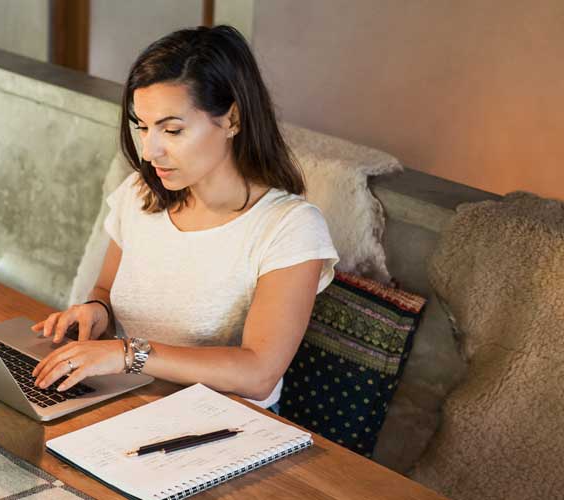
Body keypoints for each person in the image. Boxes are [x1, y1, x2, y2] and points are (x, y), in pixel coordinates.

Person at [29, 26, 337, 410]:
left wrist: (127, 354)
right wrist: (96, 313)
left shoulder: (289, 227)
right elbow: (106, 293)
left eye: (172, 129)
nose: (149, 151)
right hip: (124, 398)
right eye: (142, 127)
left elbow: (259, 373)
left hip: (217, 426)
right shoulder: (140, 195)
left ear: (232, 120)